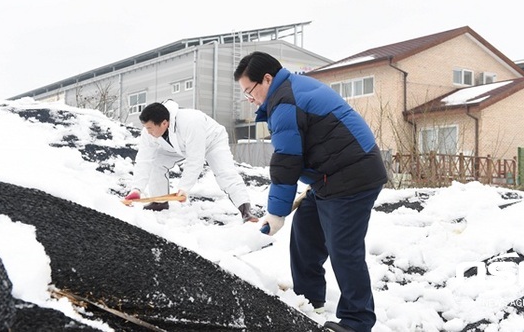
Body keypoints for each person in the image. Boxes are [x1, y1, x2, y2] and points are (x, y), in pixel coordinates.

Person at [234, 52, 388, 332]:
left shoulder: (285, 100)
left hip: (352, 177)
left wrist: (276, 213)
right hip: (331, 177)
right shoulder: (289, 90)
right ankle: (308, 297)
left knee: (343, 248)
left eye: (250, 91)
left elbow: (287, 160)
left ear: (266, 79)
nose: (250, 99)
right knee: (306, 229)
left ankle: (357, 321)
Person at [124, 100, 258, 223]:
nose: (147, 132)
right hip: (180, 147)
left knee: (225, 174)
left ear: (164, 123)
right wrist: (137, 188)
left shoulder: (191, 121)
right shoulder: (149, 131)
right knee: (157, 161)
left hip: (212, 141)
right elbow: (144, 159)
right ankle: (160, 202)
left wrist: (184, 188)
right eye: (146, 128)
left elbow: (195, 159)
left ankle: (246, 211)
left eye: (150, 128)